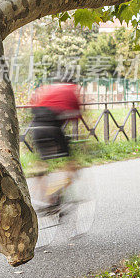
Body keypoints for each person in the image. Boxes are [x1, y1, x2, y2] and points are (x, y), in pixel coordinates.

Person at [28, 79, 83, 207]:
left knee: (42, 163)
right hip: (53, 129)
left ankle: (41, 198)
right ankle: (55, 194)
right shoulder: (72, 89)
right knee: (72, 165)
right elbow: (76, 115)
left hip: (35, 128)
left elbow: (32, 104)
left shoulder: (46, 88)